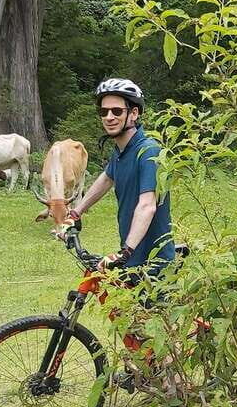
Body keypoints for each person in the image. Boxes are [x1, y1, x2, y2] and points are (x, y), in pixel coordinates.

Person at [59, 78, 174, 277]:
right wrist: (75, 214)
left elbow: (147, 205)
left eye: (117, 111)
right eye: (104, 112)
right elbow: (106, 178)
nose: (109, 117)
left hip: (154, 265)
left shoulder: (148, 152)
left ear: (134, 113)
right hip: (133, 258)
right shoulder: (122, 151)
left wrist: (125, 252)